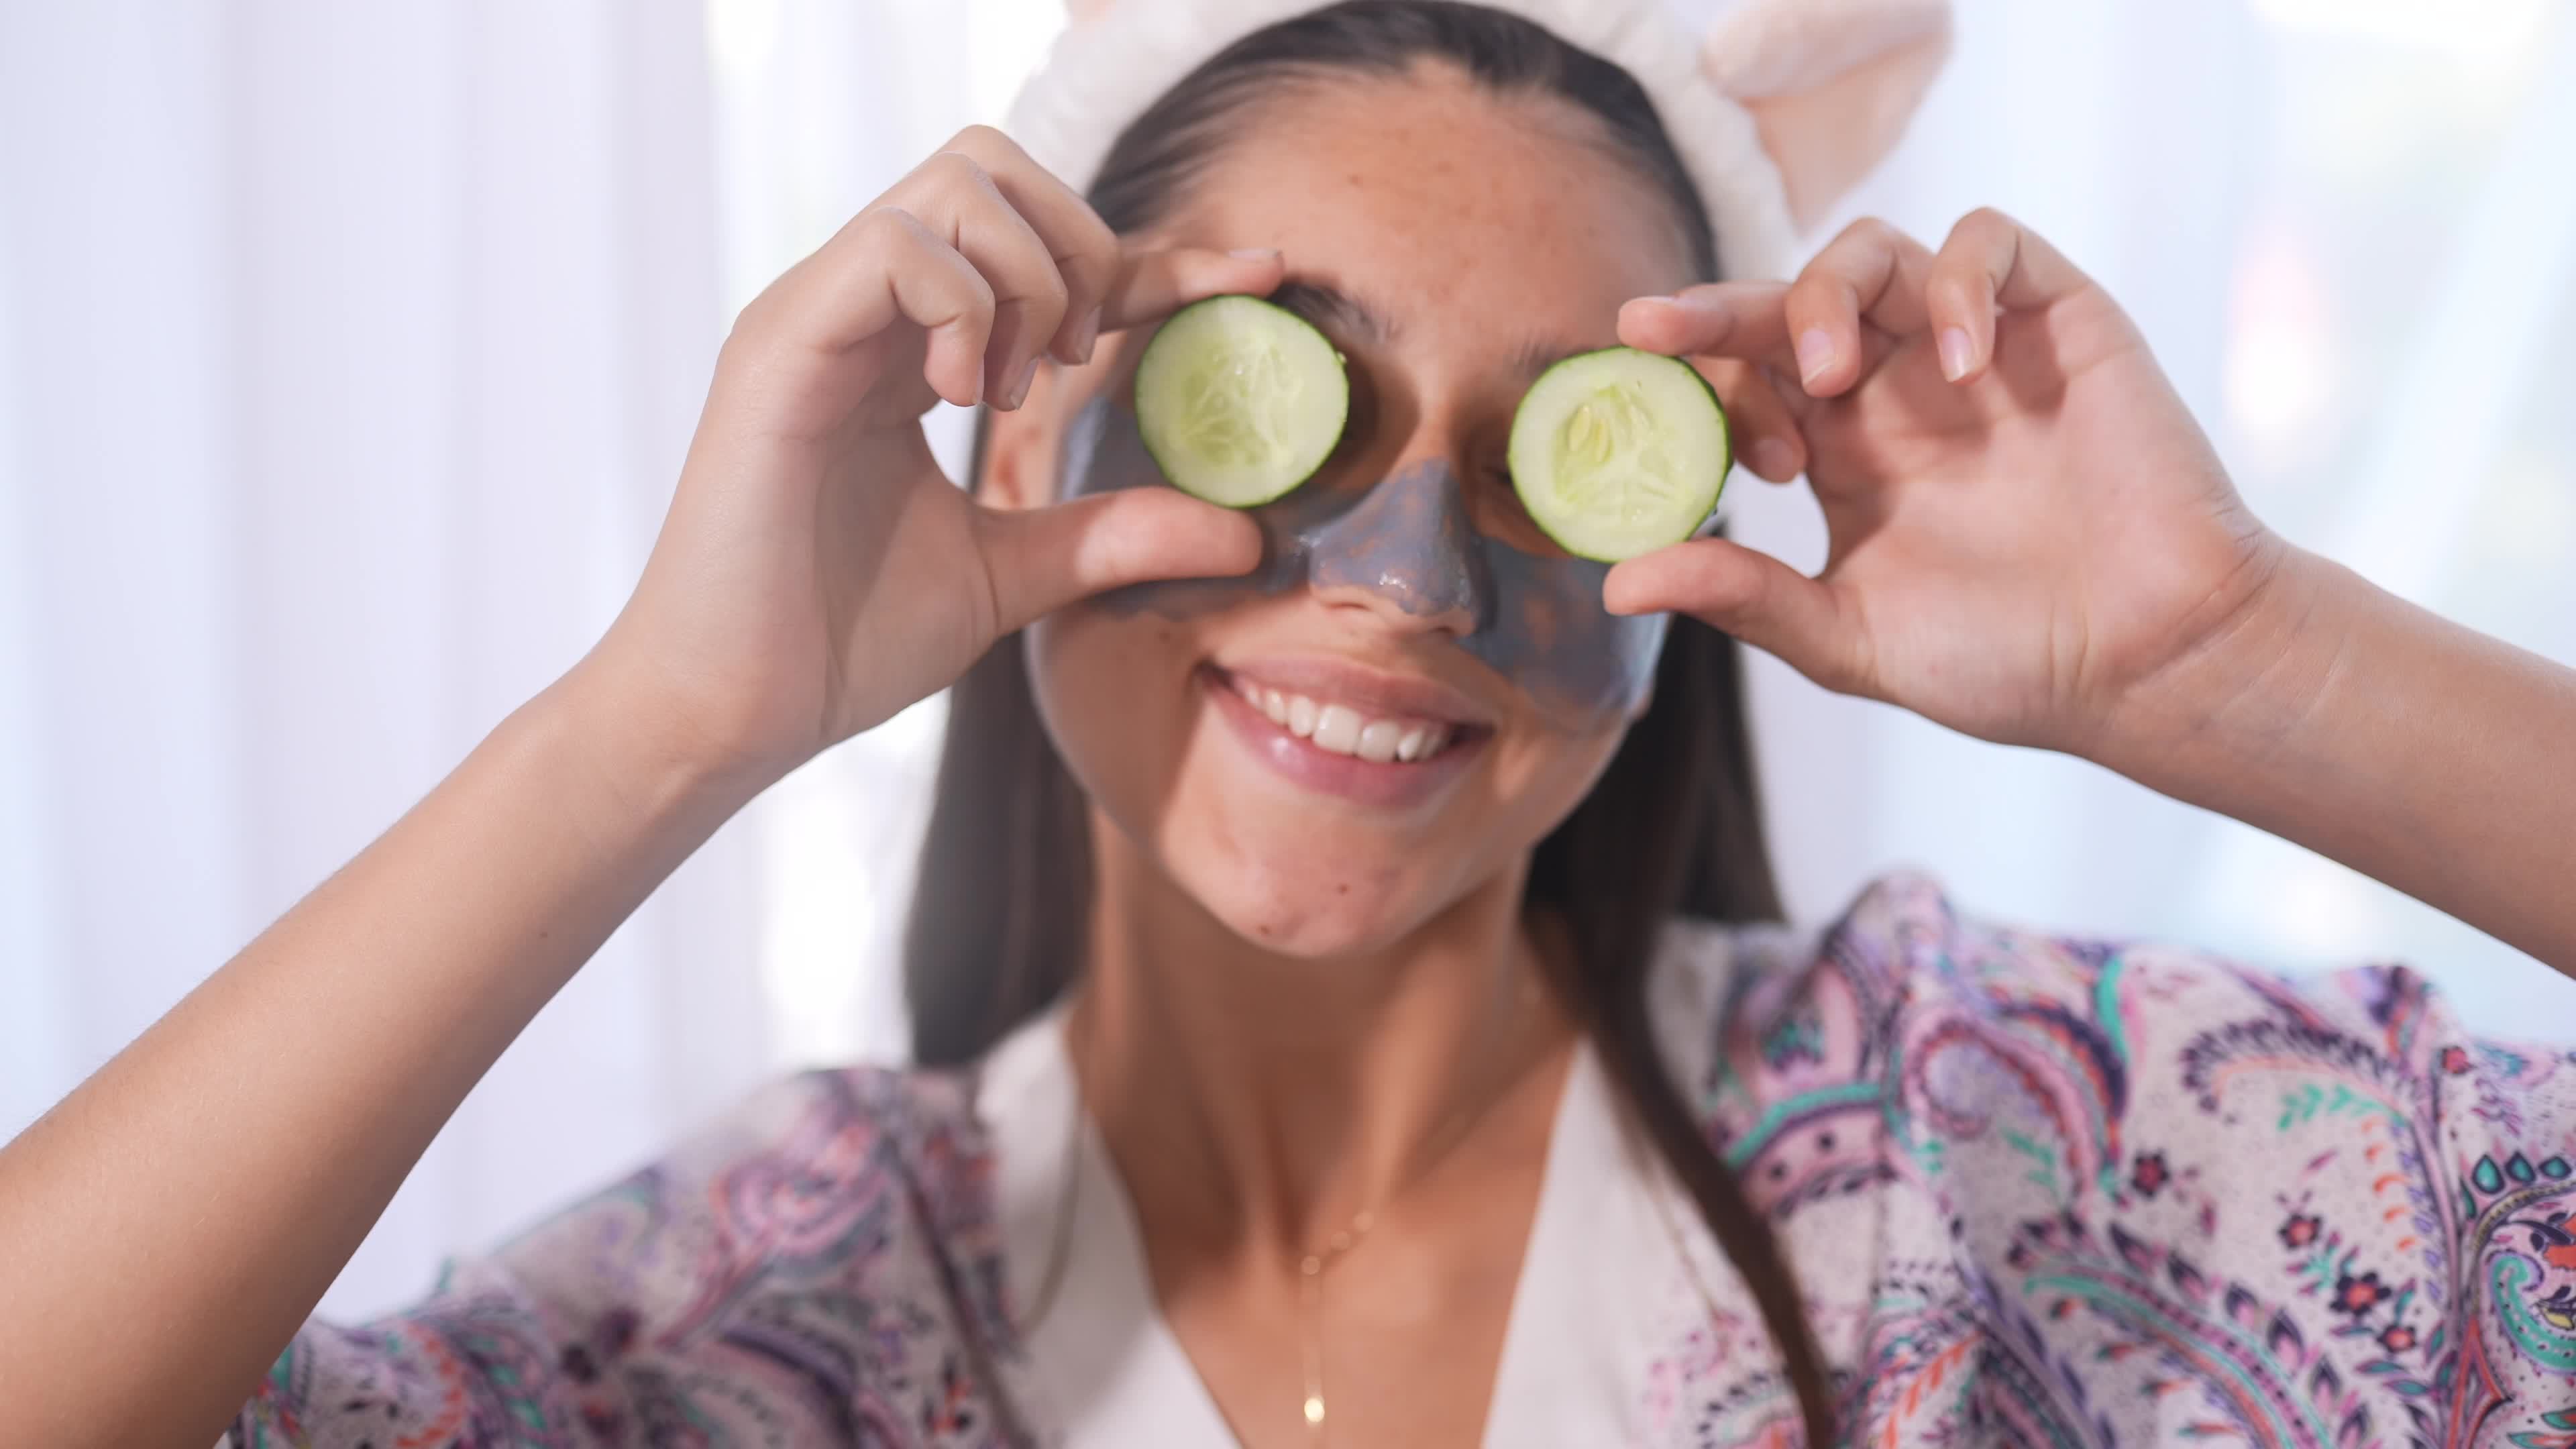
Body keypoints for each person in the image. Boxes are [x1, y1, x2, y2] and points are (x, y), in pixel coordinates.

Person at [4, 1, 2572, 1444]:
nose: (1414, 584)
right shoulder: (739, 1313)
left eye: (1563, 446)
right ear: (1024, 418)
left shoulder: (2016, 1137)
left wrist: (2259, 669)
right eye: (1285, 403)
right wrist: (660, 727)